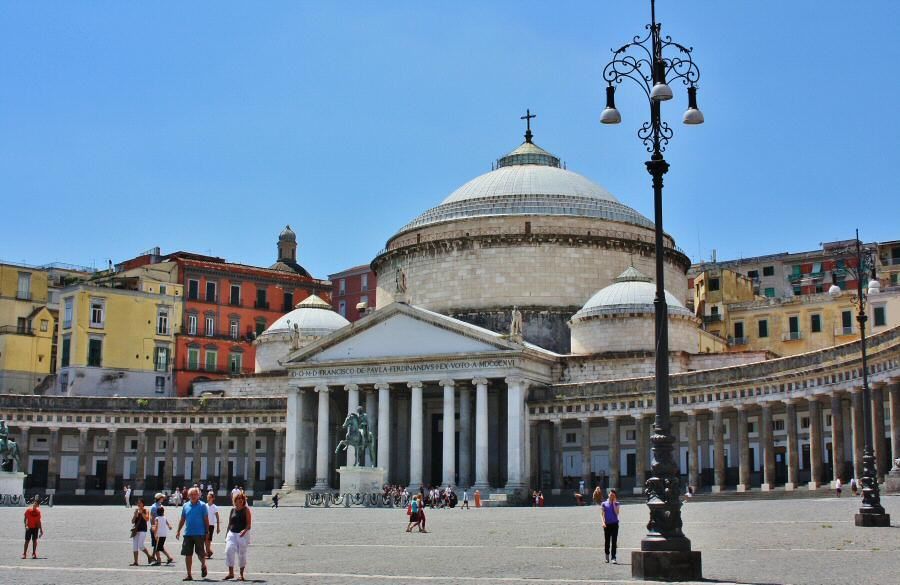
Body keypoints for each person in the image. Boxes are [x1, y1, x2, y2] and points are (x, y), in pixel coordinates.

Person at [176, 486, 210, 581]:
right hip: (188, 533)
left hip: (199, 533)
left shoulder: (203, 506)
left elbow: (206, 519)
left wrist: (207, 531)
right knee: (188, 554)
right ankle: (189, 574)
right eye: (191, 495)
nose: (193, 496)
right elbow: (182, 519)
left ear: (198, 495)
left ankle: (203, 565)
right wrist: (178, 530)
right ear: (188, 496)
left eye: (195, 494)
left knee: (200, 553)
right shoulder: (185, 505)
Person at [224, 492, 252, 581]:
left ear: (244, 500)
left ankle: (241, 574)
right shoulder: (232, 510)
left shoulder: (246, 510)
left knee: (241, 554)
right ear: (235, 500)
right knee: (229, 551)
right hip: (231, 533)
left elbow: (249, 524)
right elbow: (229, 523)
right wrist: (226, 534)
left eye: (241, 498)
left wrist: (245, 530)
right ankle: (231, 573)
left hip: (242, 534)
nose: (240, 500)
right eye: (238, 498)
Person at [130, 498, 153, 566]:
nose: (138, 504)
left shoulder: (146, 510)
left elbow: (147, 518)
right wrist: (135, 514)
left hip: (143, 530)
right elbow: (132, 521)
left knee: (140, 545)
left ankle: (149, 556)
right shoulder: (136, 510)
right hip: (136, 530)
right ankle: (136, 562)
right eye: (138, 503)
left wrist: (141, 512)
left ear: (143, 504)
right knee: (135, 546)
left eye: (140, 503)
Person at [600, 489, 621, 564]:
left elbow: (616, 513)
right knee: (607, 541)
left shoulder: (617, 504)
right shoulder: (603, 503)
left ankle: (613, 557)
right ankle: (606, 556)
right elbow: (602, 514)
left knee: (614, 541)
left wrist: (613, 503)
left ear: (615, 496)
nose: (612, 496)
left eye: (613, 495)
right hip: (607, 524)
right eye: (611, 494)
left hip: (615, 524)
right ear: (608, 494)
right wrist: (603, 522)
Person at [206, 491, 220, 559]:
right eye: (207, 496)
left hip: (211, 525)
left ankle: (208, 552)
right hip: (205, 525)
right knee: (205, 539)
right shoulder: (205, 506)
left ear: (213, 498)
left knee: (209, 540)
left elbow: (217, 517)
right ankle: (209, 551)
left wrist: (218, 527)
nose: (208, 498)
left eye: (209, 497)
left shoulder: (215, 507)